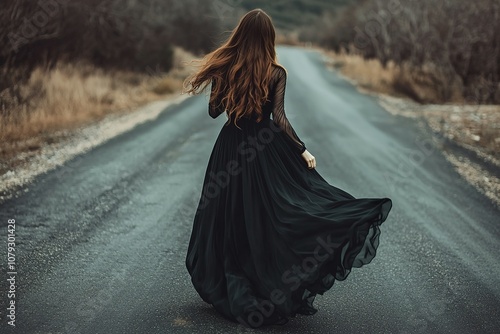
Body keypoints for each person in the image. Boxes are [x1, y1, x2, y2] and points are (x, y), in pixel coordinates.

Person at [183, 8, 392, 328]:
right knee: (274, 212)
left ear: (239, 36)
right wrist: (302, 150)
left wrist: (220, 81)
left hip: (229, 148)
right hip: (265, 148)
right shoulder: (276, 72)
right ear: (269, 39)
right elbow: (278, 119)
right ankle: (265, 282)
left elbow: (214, 113)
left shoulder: (226, 68)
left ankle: (234, 280)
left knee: (230, 214)